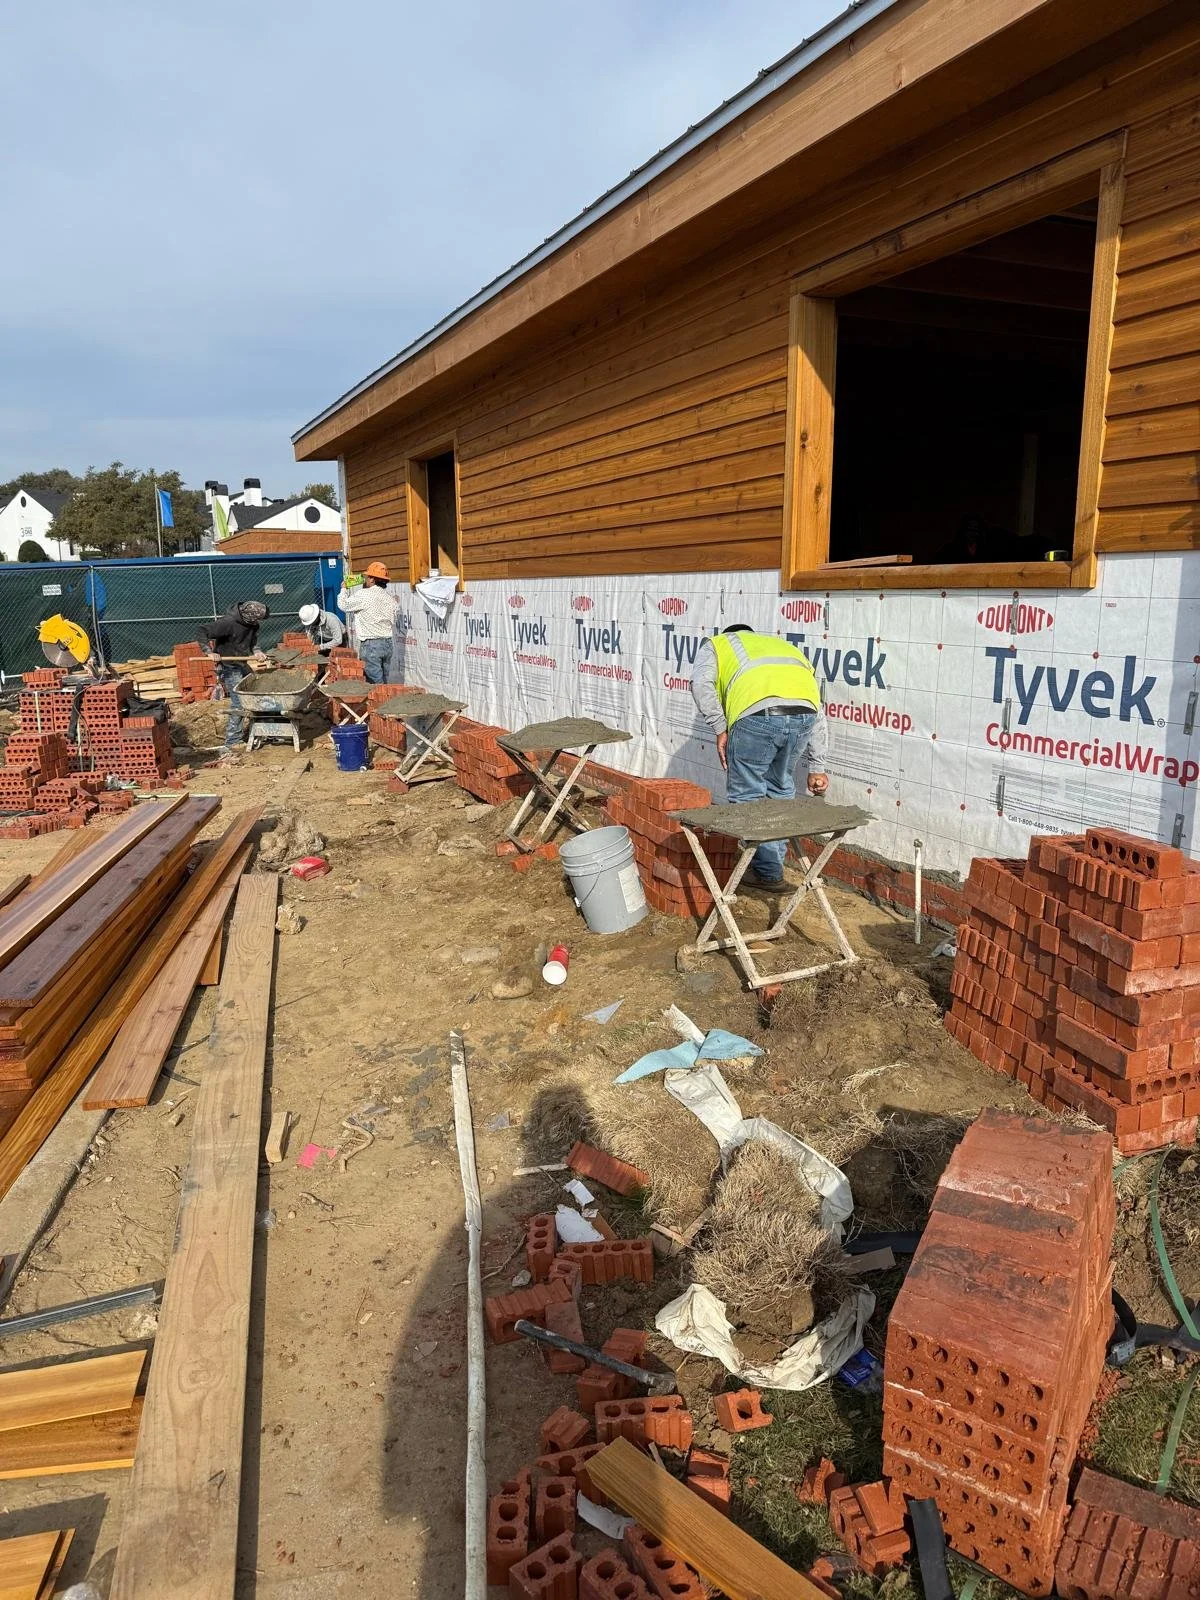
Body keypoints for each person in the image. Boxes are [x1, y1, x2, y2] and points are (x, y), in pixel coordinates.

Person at [690, 623, 829, 888]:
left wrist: (720, 727)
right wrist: (817, 766)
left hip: (756, 717)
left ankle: (766, 872)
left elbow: (701, 683)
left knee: (748, 796)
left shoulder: (718, 644)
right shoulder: (784, 647)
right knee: (780, 788)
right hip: (804, 717)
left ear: (729, 634)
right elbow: (818, 711)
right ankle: (772, 869)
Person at [198, 600, 271, 753]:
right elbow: (202, 631)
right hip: (228, 666)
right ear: (248, 616)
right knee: (239, 702)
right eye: (256, 619)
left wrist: (257, 651)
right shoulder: (228, 623)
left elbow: (253, 643)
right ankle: (233, 741)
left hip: (242, 663)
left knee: (257, 690)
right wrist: (209, 652)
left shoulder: (253, 624)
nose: (257, 622)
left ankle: (261, 729)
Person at [338, 561, 399, 684]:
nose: (365, 580)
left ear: (372, 579)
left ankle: (381, 703)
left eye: (367, 577)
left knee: (374, 684)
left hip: (371, 644)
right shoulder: (389, 598)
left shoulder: (364, 595)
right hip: (387, 644)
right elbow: (394, 619)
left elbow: (343, 605)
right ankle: (386, 702)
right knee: (384, 683)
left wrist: (343, 589)